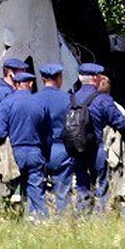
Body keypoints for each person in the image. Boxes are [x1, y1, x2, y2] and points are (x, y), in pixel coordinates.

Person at [72, 62, 125, 213]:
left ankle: (82, 214)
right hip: (95, 147)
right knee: (101, 183)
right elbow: (120, 123)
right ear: (96, 78)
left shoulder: (72, 99)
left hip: (76, 148)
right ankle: (99, 214)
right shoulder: (102, 99)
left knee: (82, 183)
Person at [0, 69, 49, 219]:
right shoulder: (40, 103)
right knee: (36, 191)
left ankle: (4, 220)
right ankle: (40, 221)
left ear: (16, 84)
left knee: (7, 190)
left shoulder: (6, 103)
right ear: (30, 84)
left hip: (14, 154)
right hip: (35, 152)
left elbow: (0, 132)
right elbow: (47, 132)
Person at [34, 61, 73, 216]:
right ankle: (61, 218)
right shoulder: (69, 99)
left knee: (37, 186)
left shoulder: (34, 99)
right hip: (61, 147)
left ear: (43, 79)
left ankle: (39, 218)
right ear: (59, 78)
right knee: (63, 188)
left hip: (40, 148)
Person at [0, 56, 26, 125]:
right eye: (22, 71)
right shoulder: (3, 92)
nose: (24, 74)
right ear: (11, 73)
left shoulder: (13, 88)